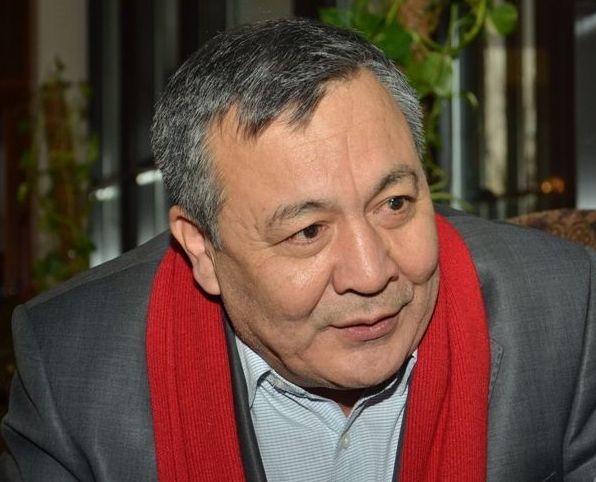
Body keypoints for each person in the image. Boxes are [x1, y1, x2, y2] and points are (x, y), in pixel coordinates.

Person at [1, 17, 594, 482]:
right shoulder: (70, 368)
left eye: (394, 203)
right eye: (308, 232)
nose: (371, 273)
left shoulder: (565, 310)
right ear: (201, 248)